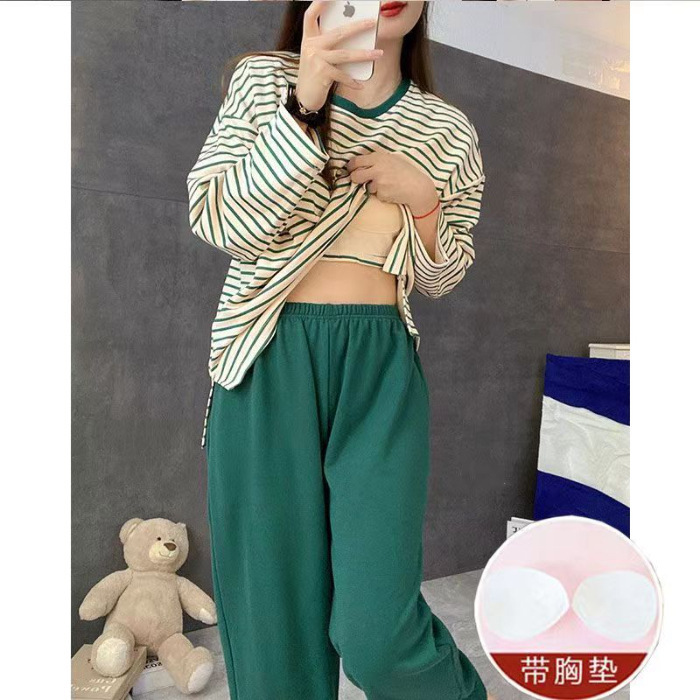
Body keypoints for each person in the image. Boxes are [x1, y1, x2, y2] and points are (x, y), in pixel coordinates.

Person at [187, 2, 489, 698]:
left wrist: (423, 201)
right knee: (273, 627)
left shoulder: (447, 130)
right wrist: (304, 102)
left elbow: (443, 276)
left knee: (379, 631)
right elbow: (221, 220)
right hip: (267, 358)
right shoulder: (266, 81)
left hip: (379, 368)